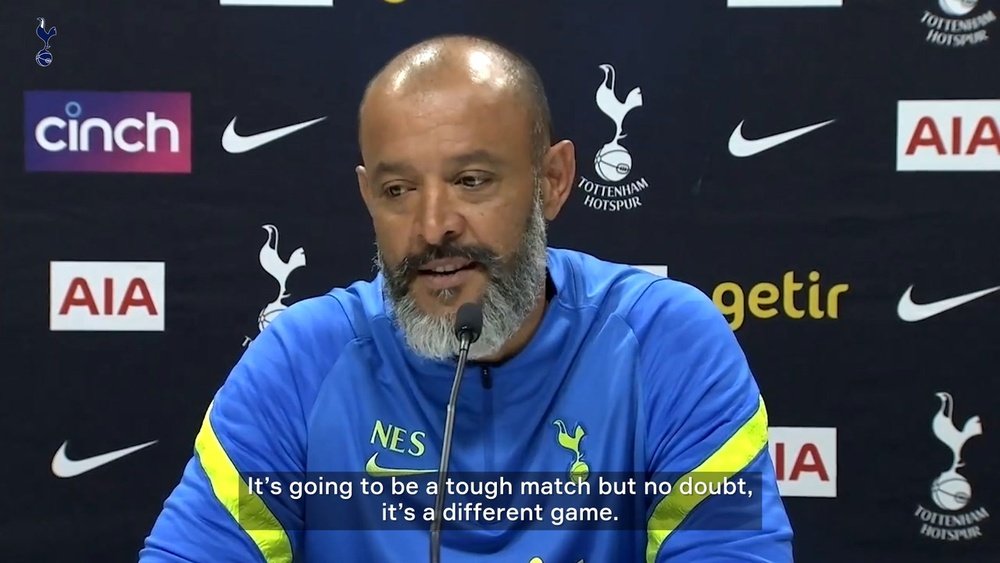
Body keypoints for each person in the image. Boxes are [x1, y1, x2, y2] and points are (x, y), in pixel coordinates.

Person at [139, 34, 793, 562]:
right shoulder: (300, 359)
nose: (432, 227)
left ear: (553, 181)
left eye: (471, 180)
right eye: (398, 190)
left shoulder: (665, 343)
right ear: (369, 198)